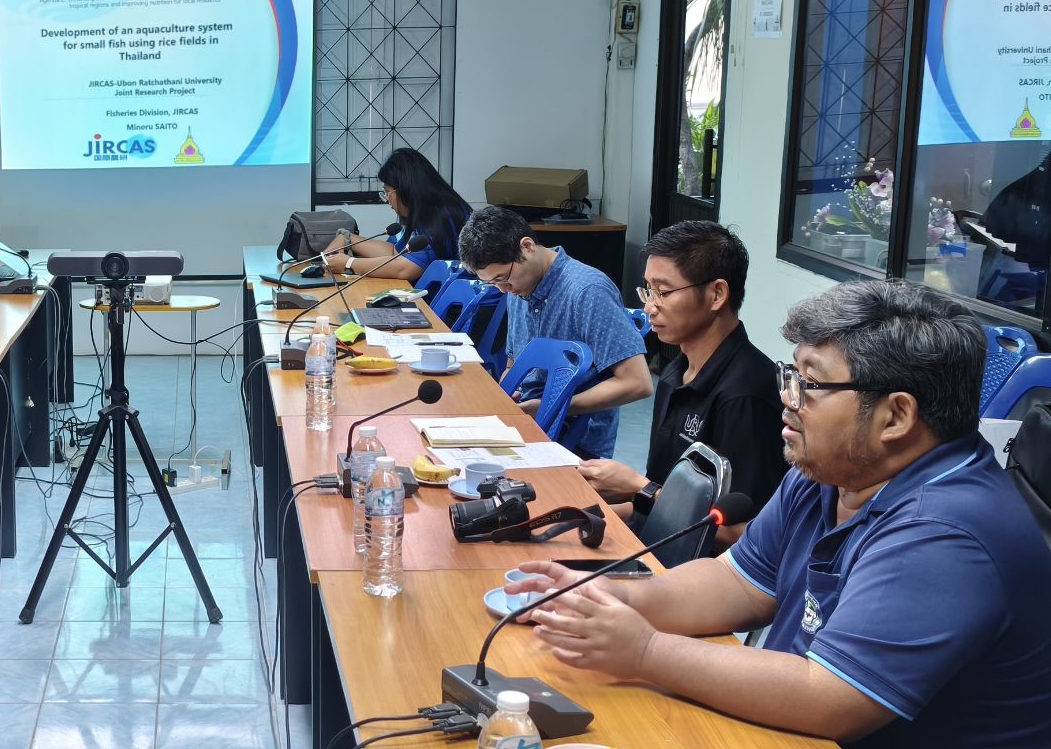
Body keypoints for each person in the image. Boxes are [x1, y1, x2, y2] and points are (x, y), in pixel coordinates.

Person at [511, 280, 1051, 749]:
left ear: (896, 415)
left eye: (811, 385)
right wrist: (607, 594)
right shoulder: (832, 474)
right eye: (792, 375)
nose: (787, 399)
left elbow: (830, 697)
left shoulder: (946, 530)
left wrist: (645, 651)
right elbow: (733, 584)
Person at [578, 220, 786, 548]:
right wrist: (585, 515)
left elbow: (746, 536)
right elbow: (656, 502)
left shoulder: (747, 394)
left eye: (663, 292)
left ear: (716, 294)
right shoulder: (677, 371)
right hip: (657, 545)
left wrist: (638, 487)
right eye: (648, 290)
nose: (649, 307)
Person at [459, 204, 651, 459]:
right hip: (527, 421)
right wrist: (506, 397)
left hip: (572, 437)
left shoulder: (588, 291)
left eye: (503, 278)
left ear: (527, 246)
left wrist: (552, 406)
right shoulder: (518, 287)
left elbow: (638, 383)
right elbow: (513, 363)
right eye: (492, 283)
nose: (503, 290)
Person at [324, 146, 471, 281]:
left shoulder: (441, 217)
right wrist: (348, 239)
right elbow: (395, 252)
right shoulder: (428, 209)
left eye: (387, 192)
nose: (386, 199)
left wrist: (349, 263)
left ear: (406, 188)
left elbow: (404, 268)